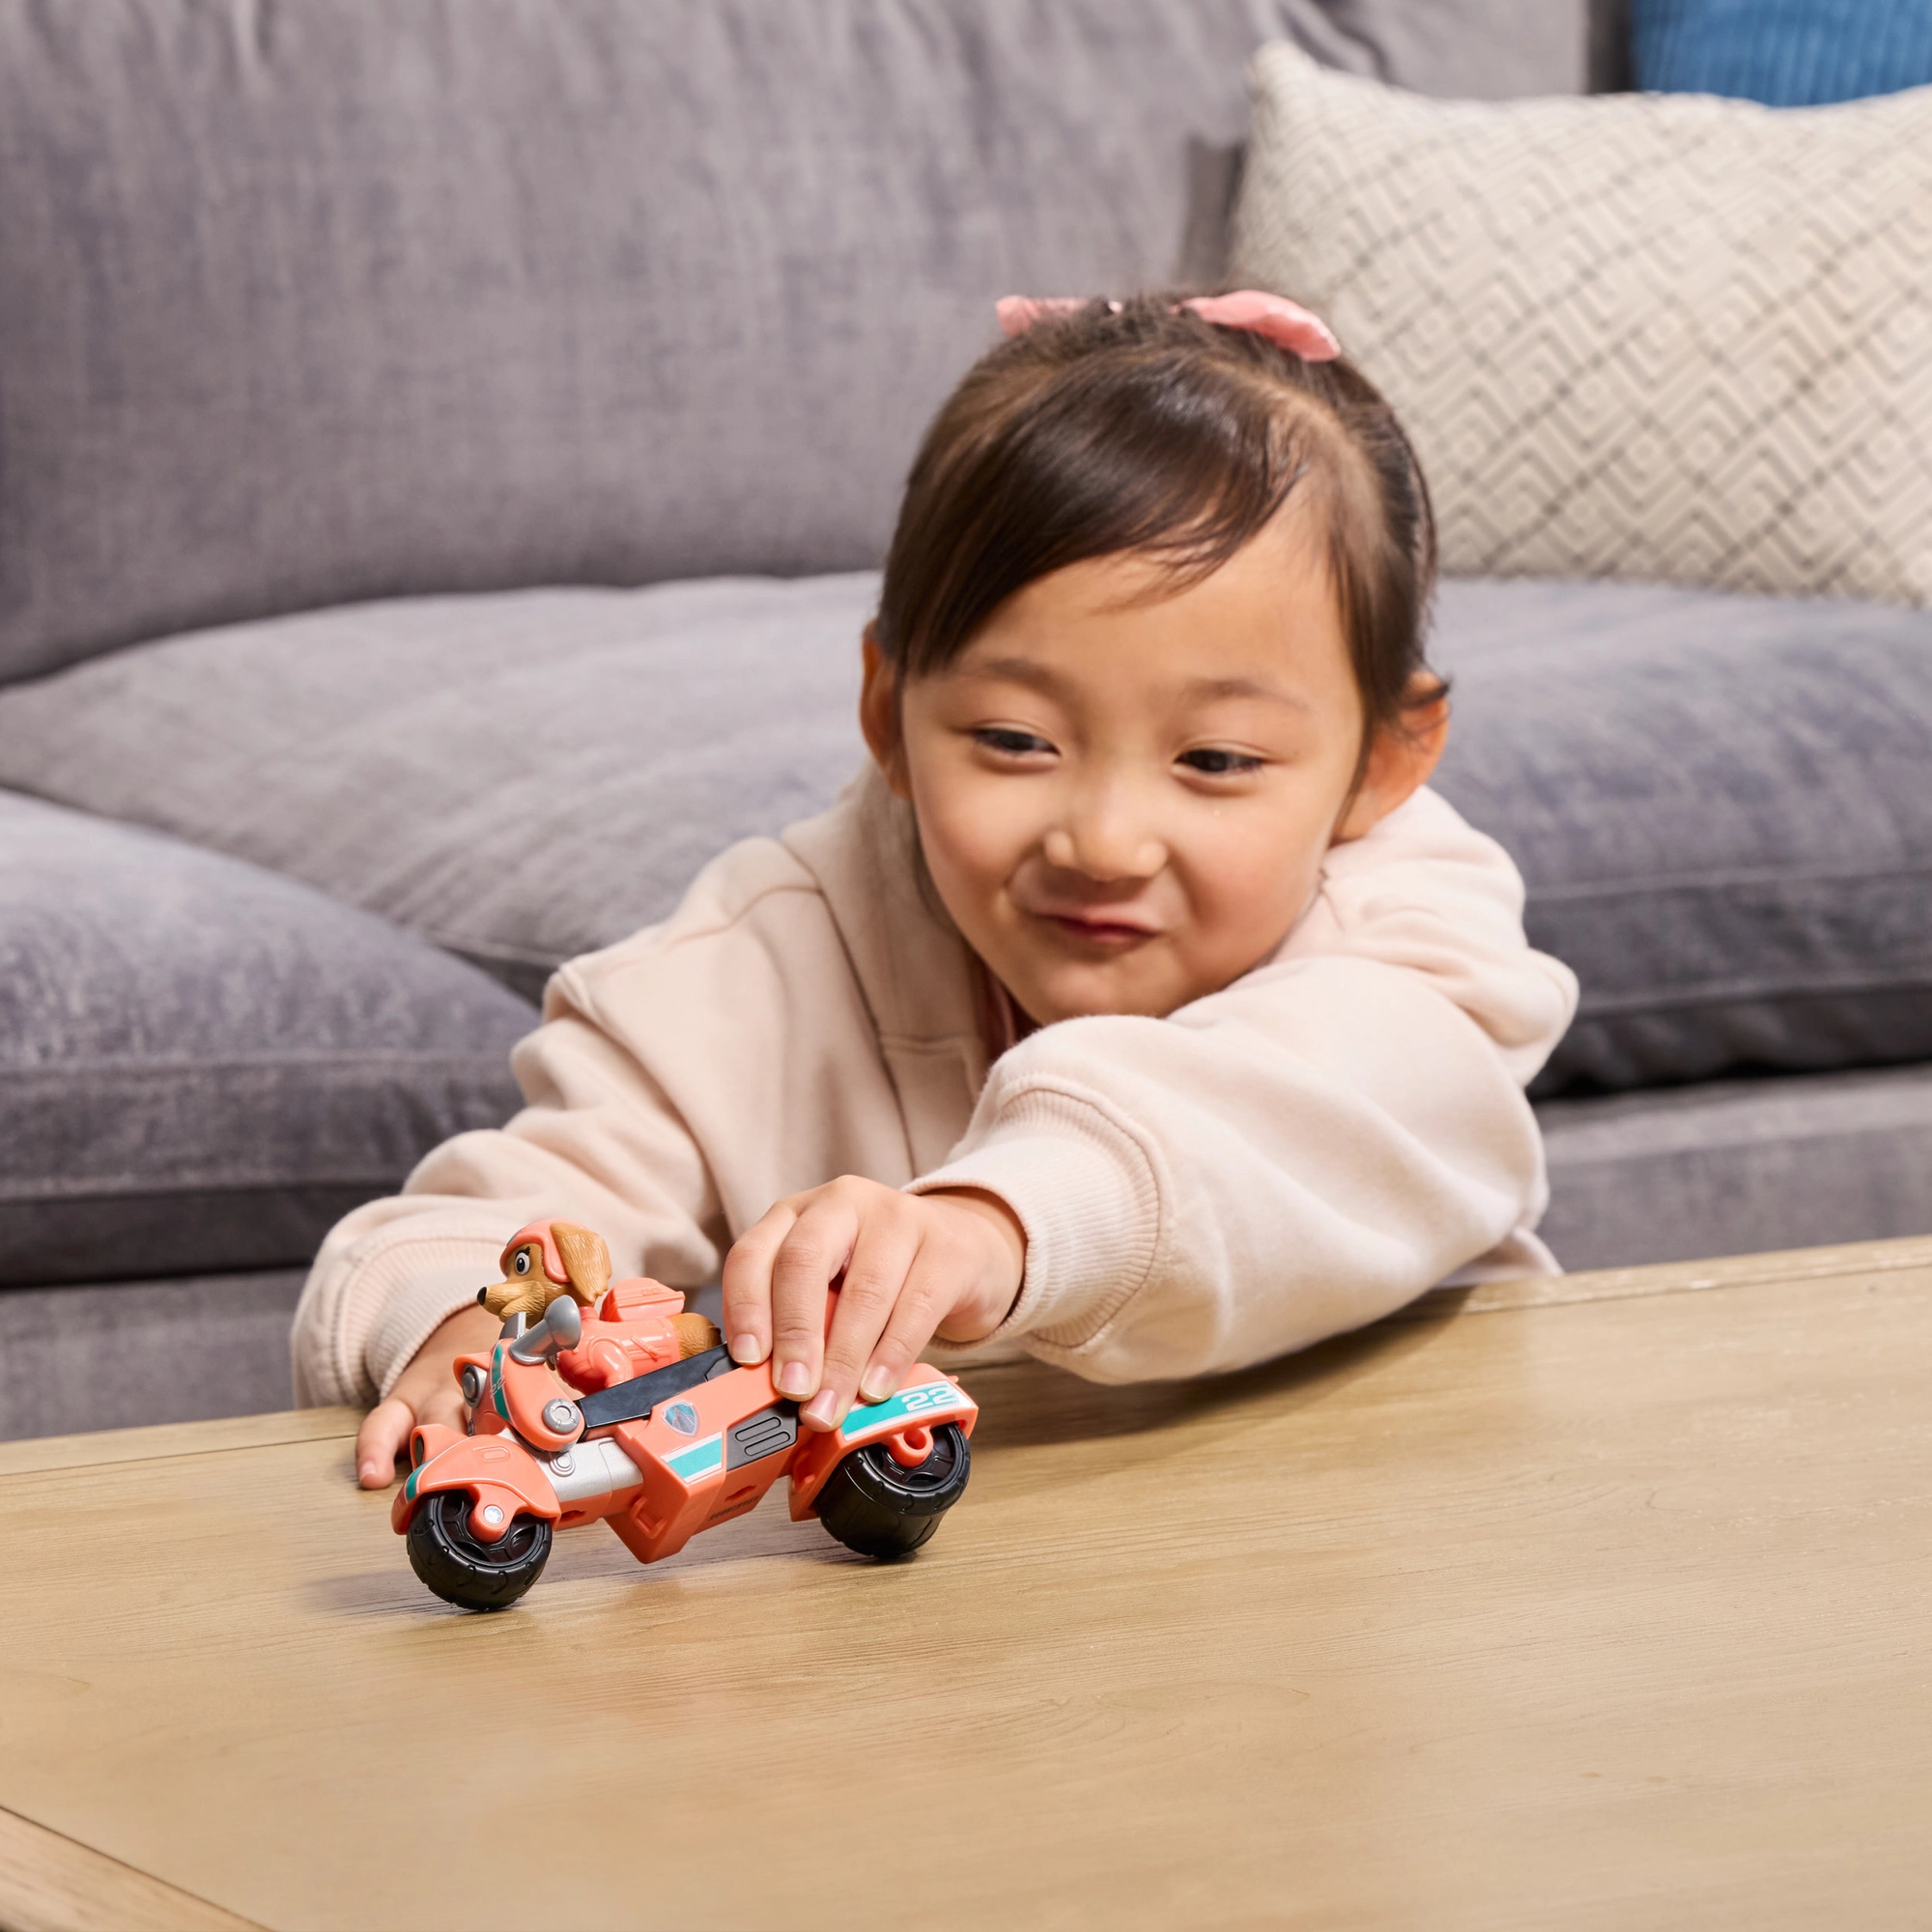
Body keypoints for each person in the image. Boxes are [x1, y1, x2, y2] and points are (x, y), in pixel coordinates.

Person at [295, 289, 1578, 1491]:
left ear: (1386, 760)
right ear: (887, 711)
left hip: (1394, 1538)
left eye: (1216, 761)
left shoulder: (1416, 936)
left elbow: (1313, 1107)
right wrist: (469, 1321)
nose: (1105, 841)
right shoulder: (763, 964)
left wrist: (995, 1226)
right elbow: (496, 1222)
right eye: (1015, 740)